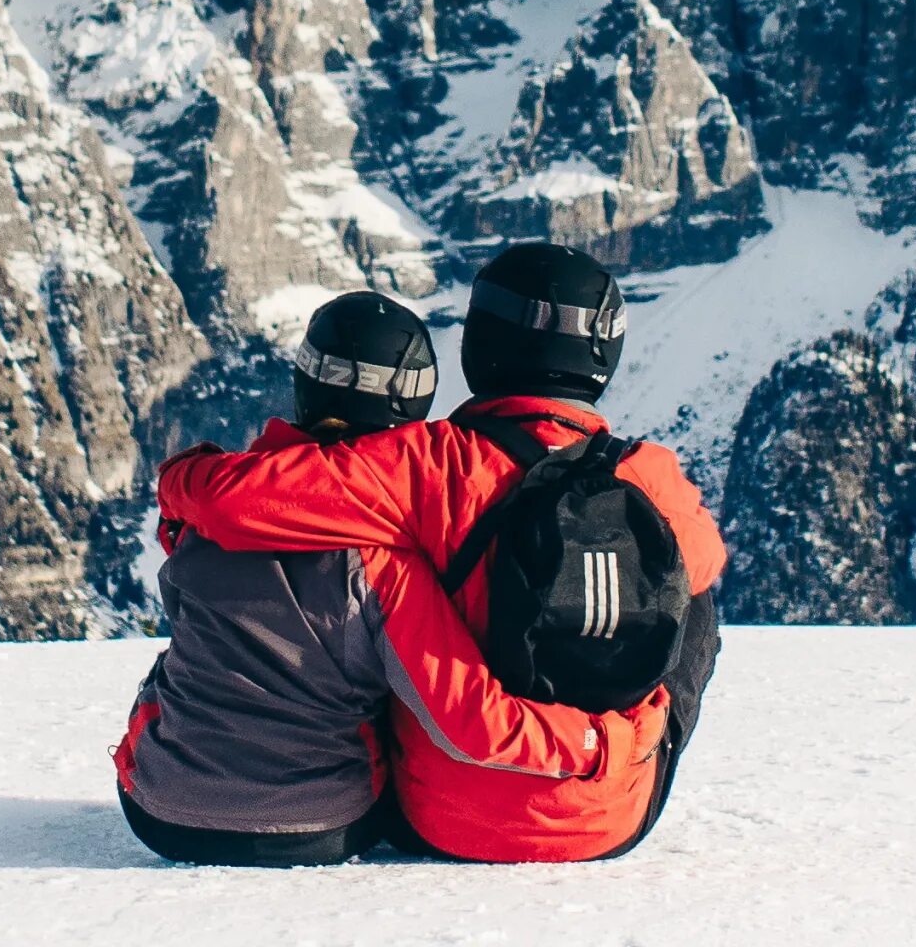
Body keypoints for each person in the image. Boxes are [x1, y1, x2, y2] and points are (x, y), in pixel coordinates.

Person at [156, 244, 725, 863]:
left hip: (445, 819)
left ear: (479, 344)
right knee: (694, 601)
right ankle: (609, 777)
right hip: (613, 810)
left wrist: (188, 471)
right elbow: (706, 562)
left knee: (377, 589)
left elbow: (235, 500)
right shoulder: (651, 474)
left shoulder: (424, 463)